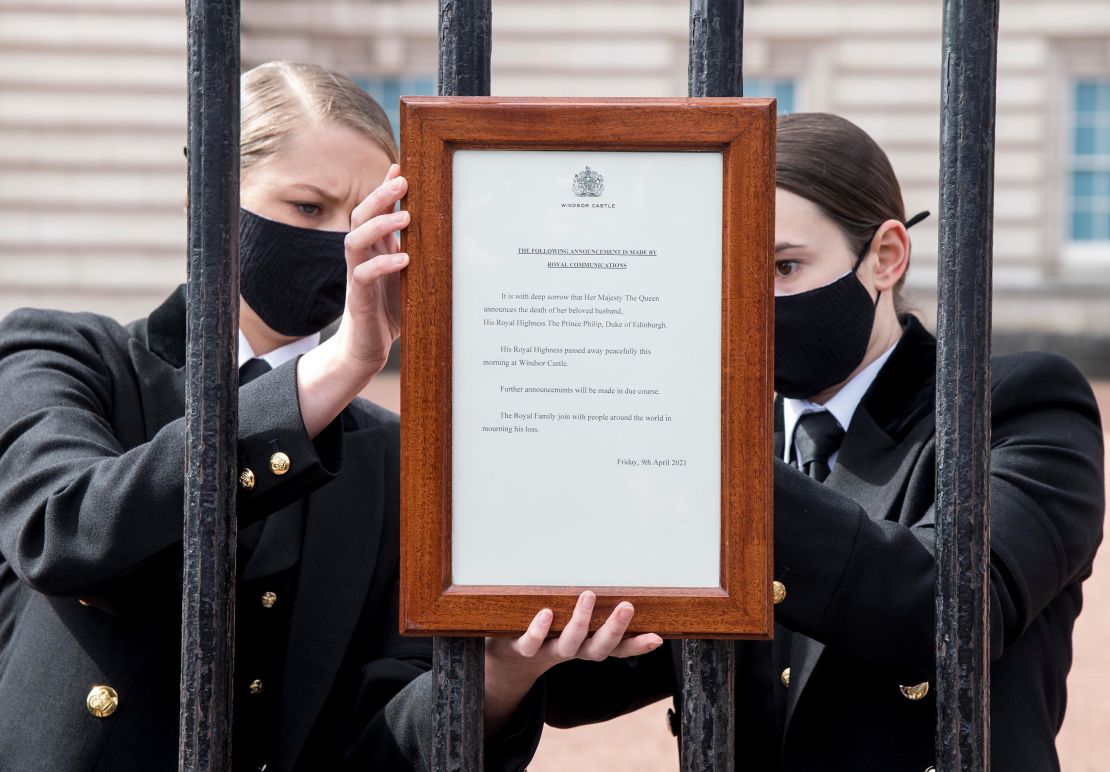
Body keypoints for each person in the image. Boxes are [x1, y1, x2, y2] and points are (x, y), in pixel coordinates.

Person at [0, 61, 654, 771]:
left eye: (366, 220)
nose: (345, 246)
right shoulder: (69, 354)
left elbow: (379, 748)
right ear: (206, 197)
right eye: (308, 209)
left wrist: (498, 674)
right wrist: (342, 366)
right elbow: (63, 533)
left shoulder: (394, 457)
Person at [521, 112, 1105, 771]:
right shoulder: (717, 442)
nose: (748, 300)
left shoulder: (1013, 404)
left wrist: (713, 464)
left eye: (783, 266)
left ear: (885, 257)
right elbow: (582, 683)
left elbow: (950, 611)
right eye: (724, 272)